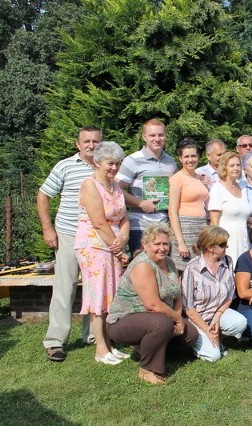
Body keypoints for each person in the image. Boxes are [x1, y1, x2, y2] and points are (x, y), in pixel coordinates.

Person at [39, 125, 102, 362]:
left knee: (95, 288)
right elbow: (43, 194)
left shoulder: (105, 168)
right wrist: (48, 228)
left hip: (96, 237)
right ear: (78, 144)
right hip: (68, 234)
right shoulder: (65, 166)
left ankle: (94, 336)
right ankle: (55, 341)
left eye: (95, 141)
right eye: (86, 141)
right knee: (64, 289)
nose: (91, 145)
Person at [106, 223, 199, 384]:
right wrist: (176, 320)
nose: (162, 248)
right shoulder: (143, 265)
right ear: (145, 245)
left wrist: (177, 316)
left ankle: (145, 349)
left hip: (156, 318)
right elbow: (152, 304)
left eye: (165, 244)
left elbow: (177, 294)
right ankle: (148, 368)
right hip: (124, 320)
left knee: (190, 334)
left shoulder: (169, 262)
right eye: (157, 244)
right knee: (161, 323)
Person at [75, 141, 130, 365]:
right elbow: (98, 222)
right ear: (97, 162)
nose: (114, 168)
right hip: (94, 246)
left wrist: (124, 238)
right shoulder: (90, 185)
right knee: (98, 296)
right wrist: (118, 249)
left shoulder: (115, 186)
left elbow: (124, 217)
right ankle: (100, 348)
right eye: (110, 164)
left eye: (117, 164)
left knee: (111, 296)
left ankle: (110, 344)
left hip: (114, 244)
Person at [181, 226, 247, 362]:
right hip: (197, 319)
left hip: (217, 313)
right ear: (210, 247)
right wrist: (206, 329)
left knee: (240, 322)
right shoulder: (192, 268)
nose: (226, 247)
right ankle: (198, 343)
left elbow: (230, 294)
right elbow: (188, 308)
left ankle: (217, 338)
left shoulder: (228, 261)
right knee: (214, 356)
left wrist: (217, 317)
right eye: (223, 245)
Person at [116, 118, 177, 253]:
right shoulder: (132, 160)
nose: (157, 139)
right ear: (144, 137)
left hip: (164, 226)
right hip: (140, 226)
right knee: (141, 268)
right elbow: (115, 189)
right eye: (152, 135)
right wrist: (140, 203)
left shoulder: (171, 162)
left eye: (160, 135)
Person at [168, 139, 209, 272]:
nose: (190, 160)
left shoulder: (200, 178)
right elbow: (172, 212)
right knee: (183, 271)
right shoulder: (177, 179)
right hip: (184, 229)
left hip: (200, 228)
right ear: (180, 158)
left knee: (199, 270)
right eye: (186, 156)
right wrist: (180, 242)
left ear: (198, 157)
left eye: (193, 156)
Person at [208, 152, 251, 267]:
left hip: (243, 237)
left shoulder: (243, 187)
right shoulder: (217, 189)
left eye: (238, 165)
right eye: (232, 166)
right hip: (227, 240)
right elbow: (214, 223)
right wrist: (217, 245)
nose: (236, 168)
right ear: (224, 168)